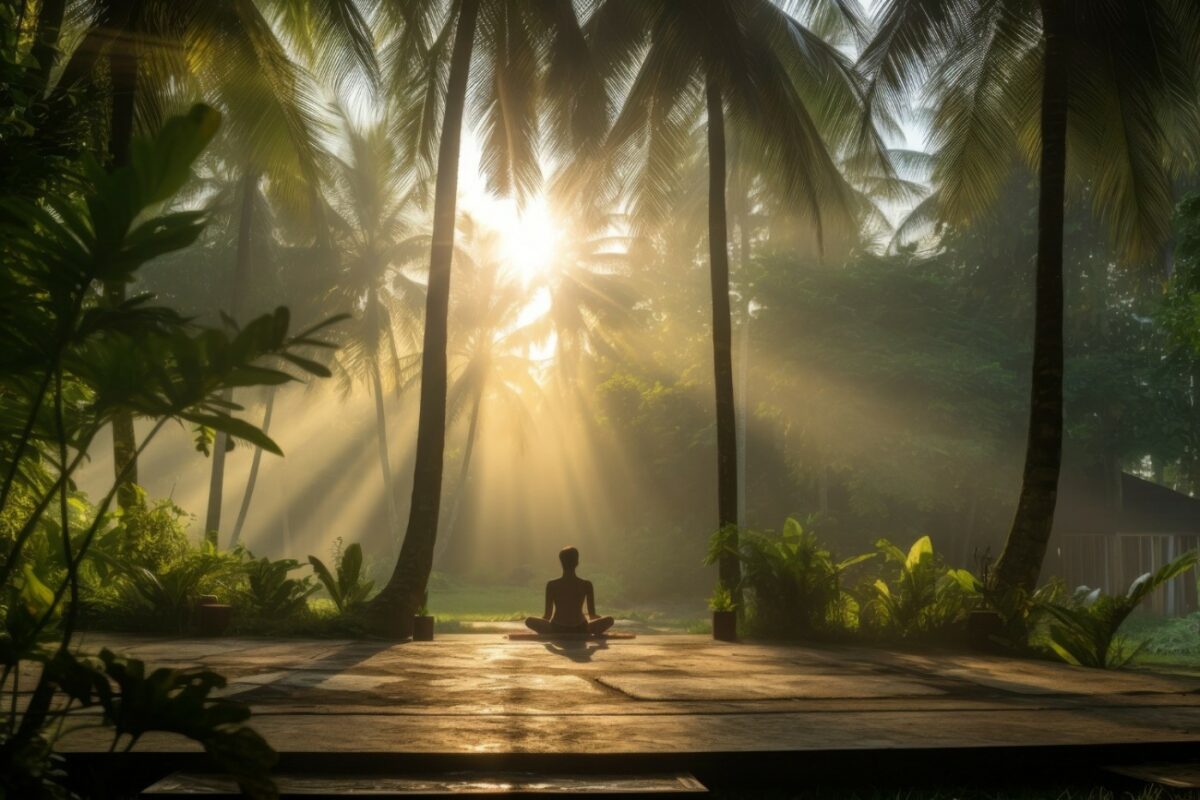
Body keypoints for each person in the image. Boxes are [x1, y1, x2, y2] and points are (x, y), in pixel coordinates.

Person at [524, 546, 615, 636]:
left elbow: (547, 615)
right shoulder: (586, 584)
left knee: (529, 621)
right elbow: (592, 615)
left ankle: (553, 631)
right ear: (577, 562)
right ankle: (587, 630)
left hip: (557, 628)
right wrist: (599, 621)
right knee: (610, 620)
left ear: (561, 563)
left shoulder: (552, 585)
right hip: (581, 628)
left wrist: (543, 625)